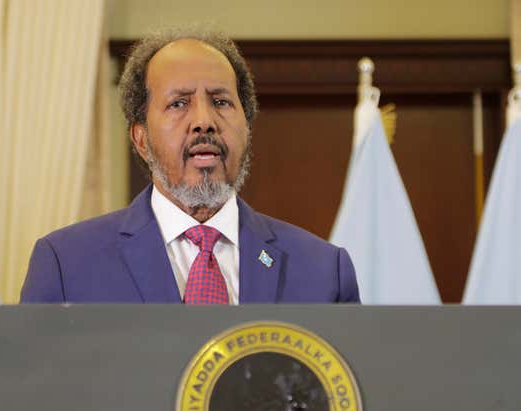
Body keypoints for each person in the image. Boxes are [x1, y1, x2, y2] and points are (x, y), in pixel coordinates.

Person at [20, 27, 359, 304]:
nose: (204, 121)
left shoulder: (324, 270)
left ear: (247, 128)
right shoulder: (67, 263)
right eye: (179, 103)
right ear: (140, 139)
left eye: (221, 102)